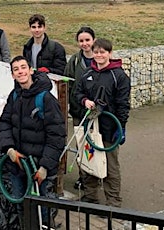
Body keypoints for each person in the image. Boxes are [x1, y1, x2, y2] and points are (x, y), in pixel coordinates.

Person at [0, 56, 66, 228]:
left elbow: (57, 136)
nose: (20, 71)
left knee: (43, 210)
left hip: (38, 167)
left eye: (23, 67)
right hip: (18, 165)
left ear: (31, 70)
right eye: (16, 69)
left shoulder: (45, 99)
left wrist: (44, 167)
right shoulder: (14, 96)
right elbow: (4, 122)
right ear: (13, 75)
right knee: (22, 206)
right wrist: (9, 149)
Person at [75, 38, 130, 207]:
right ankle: (90, 197)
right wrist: (84, 101)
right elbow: (77, 93)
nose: (99, 55)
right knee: (89, 161)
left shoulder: (119, 76)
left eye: (102, 52)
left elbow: (123, 104)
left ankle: (113, 203)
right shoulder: (87, 74)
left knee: (110, 167)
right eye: (96, 52)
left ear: (109, 53)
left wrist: (121, 127)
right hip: (90, 128)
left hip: (109, 128)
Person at [64, 26, 96, 191]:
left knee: (94, 145)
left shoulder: (100, 59)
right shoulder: (75, 61)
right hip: (78, 111)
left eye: (87, 40)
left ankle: (95, 177)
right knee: (81, 145)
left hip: (97, 114)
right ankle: (83, 177)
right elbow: (67, 83)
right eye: (81, 41)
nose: (85, 44)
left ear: (93, 41)